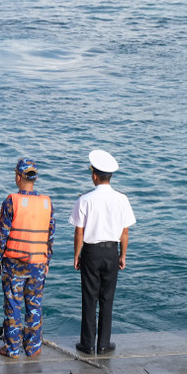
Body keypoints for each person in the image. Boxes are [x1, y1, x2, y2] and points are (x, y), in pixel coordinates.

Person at [70, 150, 135, 356]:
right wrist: (123, 255)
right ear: (110, 177)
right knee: (107, 298)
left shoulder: (85, 200)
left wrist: (76, 255)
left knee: (89, 298)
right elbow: (125, 231)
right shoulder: (122, 199)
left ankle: (87, 344)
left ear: (94, 176)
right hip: (112, 252)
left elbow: (79, 231)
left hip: (91, 252)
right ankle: (104, 343)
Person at [0, 159, 54, 359]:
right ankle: (33, 347)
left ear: (18, 177)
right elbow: (50, 235)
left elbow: (2, 234)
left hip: (14, 263)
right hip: (38, 262)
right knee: (34, 305)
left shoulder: (12, 201)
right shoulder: (47, 202)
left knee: (13, 304)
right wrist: (47, 261)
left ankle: (12, 348)